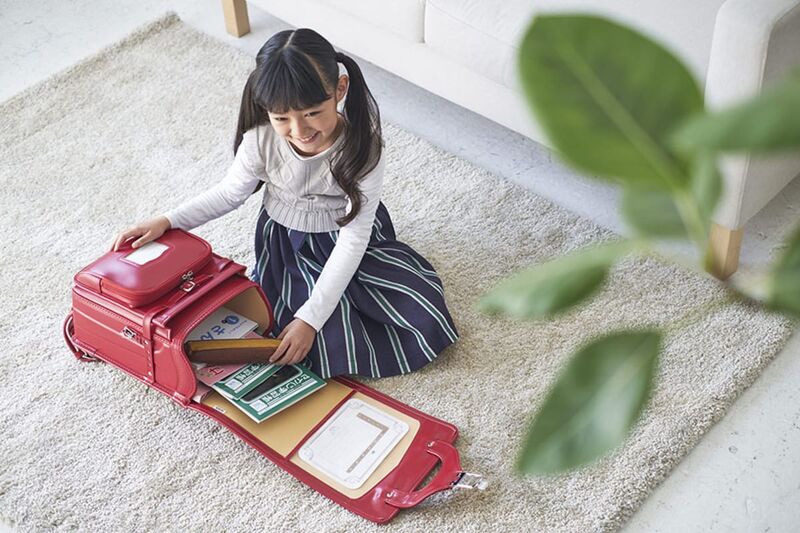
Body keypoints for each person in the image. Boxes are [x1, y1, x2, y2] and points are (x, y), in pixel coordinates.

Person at [111, 28, 459, 379]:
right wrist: (169, 220)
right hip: (286, 247)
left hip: (349, 239)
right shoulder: (259, 141)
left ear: (339, 90)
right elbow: (229, 194)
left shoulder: (364, 147)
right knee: (290, 334)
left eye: (312, 112)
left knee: (418, 312)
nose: (299, 129)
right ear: (267, 110)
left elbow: (354, 238)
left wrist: (310, 319)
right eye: (282, 118)